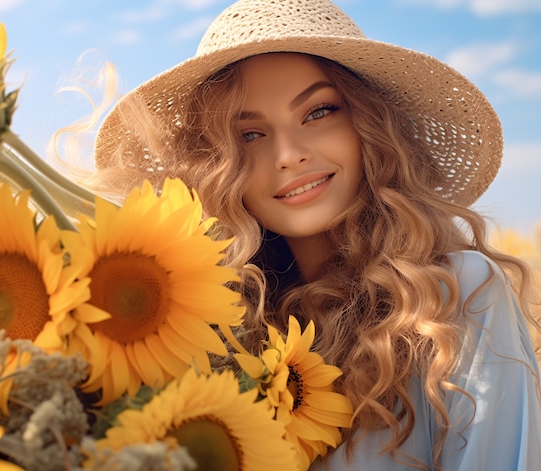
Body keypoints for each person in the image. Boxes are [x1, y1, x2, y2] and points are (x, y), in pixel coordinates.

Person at [89, 0, 541, 469]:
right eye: (249, 135)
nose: (288, 155)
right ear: (215, 168)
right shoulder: (220, 332)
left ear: (369, 126)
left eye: (318, 112)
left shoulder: (455, 296)